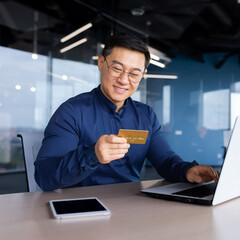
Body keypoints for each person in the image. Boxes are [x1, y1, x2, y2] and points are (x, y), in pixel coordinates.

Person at [35, 32, 219, 191]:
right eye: (117, 68)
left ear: (143, 75)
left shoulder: (146, 115)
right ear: (101, 63)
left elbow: (165, 161)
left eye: (134, 73)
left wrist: (187, 171)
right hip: (82, 207)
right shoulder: (72, 112)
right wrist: (93, 155)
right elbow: (45, 177)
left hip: (131, 206)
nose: (124, 80)